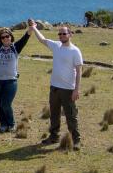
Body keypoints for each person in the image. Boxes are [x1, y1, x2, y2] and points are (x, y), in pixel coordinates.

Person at [29, 19, 84, 147]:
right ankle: (54, 137)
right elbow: (42, 40)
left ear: (70, 35)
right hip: (54, 88)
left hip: (68, 89)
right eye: (60, 34)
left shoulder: (75, 51)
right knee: (54, 115)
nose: (61, 36)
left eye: (64, 34)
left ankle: (76, 141)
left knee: (71, 116)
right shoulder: (56, 46)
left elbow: (79, 71)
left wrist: (76, 90)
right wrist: (34, 27)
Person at [0, 24, 32, 133]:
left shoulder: (15, 47)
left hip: (11, 81)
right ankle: (3, 125)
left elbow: (26, 36)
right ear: (0, 39)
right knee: (1, 103)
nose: (5, 38)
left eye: (7, 36)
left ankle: (11, 123)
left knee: (5, 103)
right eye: (3, 37)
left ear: (11, 37)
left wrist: (31, 26)